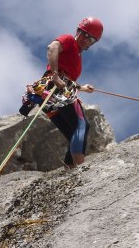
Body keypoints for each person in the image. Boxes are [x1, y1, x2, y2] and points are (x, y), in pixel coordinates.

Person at [44, 17, 103, 168]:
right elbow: (52, 47)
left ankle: (70, 169)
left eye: (91, 39)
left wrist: (81, 88)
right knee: (81, 125)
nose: (87, 40)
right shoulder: (69, 39)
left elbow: (68, 80)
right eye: (85, 34)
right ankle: (80, 168)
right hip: (55, 88)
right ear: (78, 31)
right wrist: (56, 76)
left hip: (51, 94)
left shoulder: (78, 56)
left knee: (73, 133)